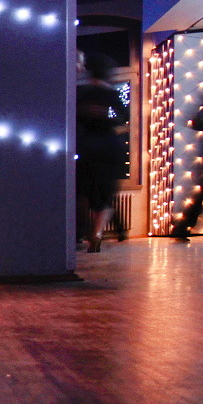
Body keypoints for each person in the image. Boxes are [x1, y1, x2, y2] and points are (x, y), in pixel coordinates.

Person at [76, 51, 127, 253]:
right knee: (106, 193)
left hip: (86, 145)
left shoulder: (82, 92)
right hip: (109, 145)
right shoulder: (111, 93)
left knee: (85, 191)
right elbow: (123, 117)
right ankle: (97, 234)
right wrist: (107, 119)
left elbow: (74, 118)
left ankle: (82, 231)